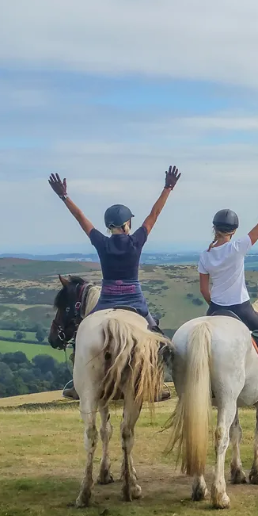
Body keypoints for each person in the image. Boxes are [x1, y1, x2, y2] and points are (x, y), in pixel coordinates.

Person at [49, 166, 180, 399]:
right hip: (135, 301)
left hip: (107, 299)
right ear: (127, 224)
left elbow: (80, 218)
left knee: (83, 334)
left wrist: (64, 196)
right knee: (157, 336)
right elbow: (154, 214)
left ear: (109, 226)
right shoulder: (136, 241)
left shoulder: (101, 242)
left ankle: (78, 384)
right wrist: (168, 188)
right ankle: (157, 383)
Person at [199, 177, 258, 403]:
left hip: (214, 310)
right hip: (241, 309)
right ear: (234, 230)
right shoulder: (237, 247)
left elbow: (204, 290)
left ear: (214, 228)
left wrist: (215, 306)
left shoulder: (205, 255)